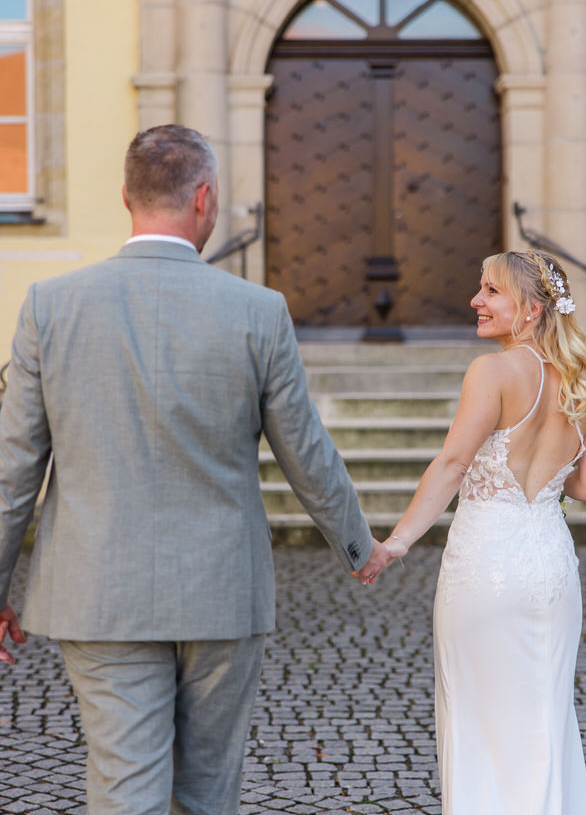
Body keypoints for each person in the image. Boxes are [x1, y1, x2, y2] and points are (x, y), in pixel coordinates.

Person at [0, 124, 390, 815]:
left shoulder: (49, 307)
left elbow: (14, 466)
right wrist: (357, 545)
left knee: (125, 786)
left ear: (126, 197)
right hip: (221, 586)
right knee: (208, 789)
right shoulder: (258, 310)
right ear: (204, 199)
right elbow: (305, 449)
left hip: (98, 588)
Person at [378, 250, 586, 814]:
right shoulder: (580, 383)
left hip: (486, 568)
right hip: (551, 568)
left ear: (530, 310)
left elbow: (454, 464)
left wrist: (397, 542)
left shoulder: (493, 371)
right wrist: (546, 479)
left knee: (478, 718)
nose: (476, 301)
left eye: (491, 291)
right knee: (544, 719)